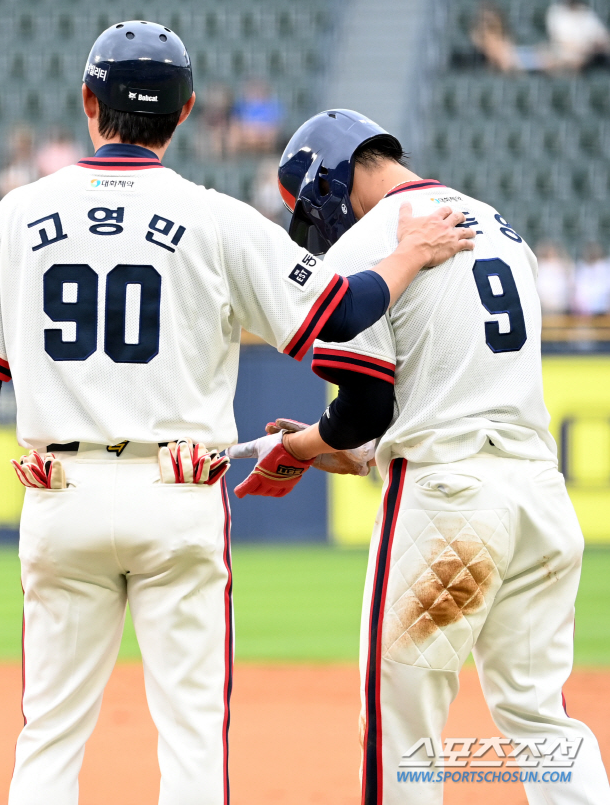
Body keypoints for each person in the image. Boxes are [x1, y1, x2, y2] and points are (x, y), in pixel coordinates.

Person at [0, 24, 472, 805]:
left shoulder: (20, 213)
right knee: (192, 740)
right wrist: (410, 252)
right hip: (176, 495)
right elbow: (343, 312)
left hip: (59, 493)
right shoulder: (214, 216)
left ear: (89, 102)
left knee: (47, 737)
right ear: (184, 113)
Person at [230, 109, 610, 805]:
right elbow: (451, 384)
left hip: (448, 503)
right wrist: (363, 453)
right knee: (541, 719)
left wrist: (300, 447)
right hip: (539, 496)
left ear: (328, 184)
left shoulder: (371, 244)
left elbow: (363, 409)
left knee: (401, 724)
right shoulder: (500, 225)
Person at [547, 0, 610, 72]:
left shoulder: (585, 11)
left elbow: (602, 35)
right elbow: (562, 41)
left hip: (593, 52)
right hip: (569, 54)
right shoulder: (556, 12)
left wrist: (595, 45)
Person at [0, 124, 38, 199]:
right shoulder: (5, 164)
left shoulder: (36, 164)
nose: (19, 146)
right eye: (17, 142)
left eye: (23, 142)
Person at [536, 241, 574, 315]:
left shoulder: (562, 265)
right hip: (543, 306)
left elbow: (569, 282)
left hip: (560, 305)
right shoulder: (540, 265)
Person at [574, 242, 610, 316]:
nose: (592, 252)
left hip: (603, 308)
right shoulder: (582, 267)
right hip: (585, 311)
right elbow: (579, 289)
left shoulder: (605, 266)